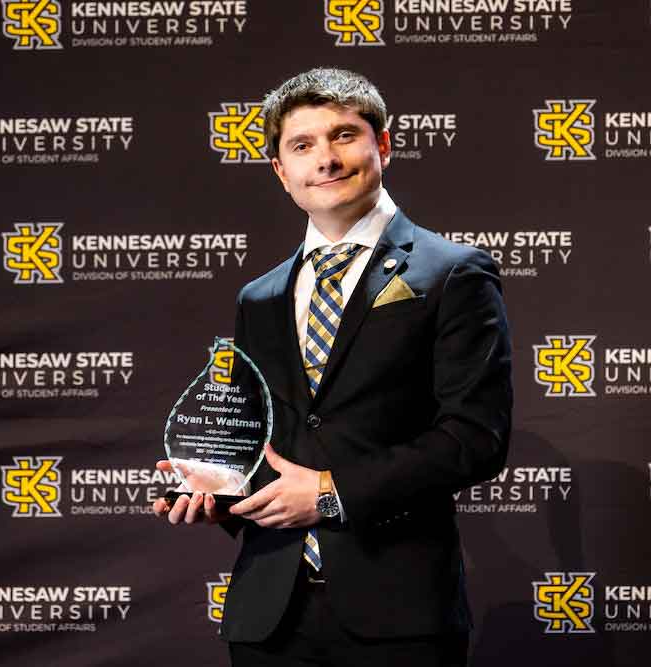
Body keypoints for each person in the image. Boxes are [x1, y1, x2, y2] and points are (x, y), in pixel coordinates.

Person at [153, 67, 512, 667]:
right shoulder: (259, 297)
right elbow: (258, 441)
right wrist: (215, 490)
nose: (326, 158)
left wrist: (330, 494)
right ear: (281, 171)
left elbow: (476, 438)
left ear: (384, 144)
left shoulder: (453, 273)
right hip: (268, 613)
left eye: (344, 135)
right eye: (303, 145)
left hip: (399, 614)